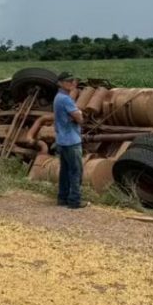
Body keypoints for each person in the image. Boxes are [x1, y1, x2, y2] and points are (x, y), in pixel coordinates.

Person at [54, 72, 86, 208]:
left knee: (65, 171)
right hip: (72, 141)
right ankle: (74, 201)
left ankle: (62, 198)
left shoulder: (57, 97)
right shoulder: (66, 99)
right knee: (76, 171)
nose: (71, 83)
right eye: (68, 81)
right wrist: (79, 115)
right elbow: (79, 118)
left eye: (72, 81)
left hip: (61, 140)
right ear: (60, 83)